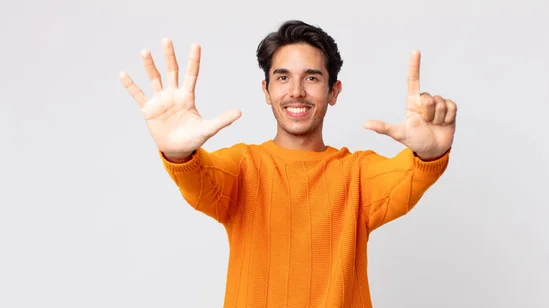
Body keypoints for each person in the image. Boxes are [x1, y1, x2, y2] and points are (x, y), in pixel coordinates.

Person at [119, 20, 456, 308]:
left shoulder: (358, 175)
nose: (296, 91)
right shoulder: (242, 167)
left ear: (333, 91)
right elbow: (200, 178)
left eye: (311, 78)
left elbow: (407, 175)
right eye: (282, 78)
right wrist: (179, 154)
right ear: (266, 90)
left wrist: (429, 154)